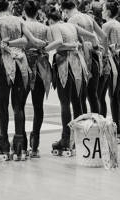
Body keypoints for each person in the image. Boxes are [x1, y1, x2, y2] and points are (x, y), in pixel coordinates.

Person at [0, 0, 42, 161]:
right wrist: (43, 45)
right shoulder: (20, 20)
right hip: (21, 63)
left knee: (3, 106)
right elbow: (30, 40)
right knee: (18, 106)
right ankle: (20, 145)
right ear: (10, 6)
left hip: (4, 64)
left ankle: (3, 144)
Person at [46, 10, 96, 156]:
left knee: (65, 103)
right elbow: (92, 35)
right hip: (79, 62)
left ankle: (66, 139)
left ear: (50, 20)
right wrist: (88, 47)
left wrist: (44, 49)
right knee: (77, 101)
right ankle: (80, 137)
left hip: (64, 64)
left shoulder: (54, 27)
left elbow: (59, 42)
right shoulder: (71, 26)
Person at [22, 0, 67, 157]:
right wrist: (44, 49)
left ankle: (21, 144)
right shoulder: (45, 27)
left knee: (19, 105)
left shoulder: (23, 25)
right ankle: (34, 147)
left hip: (26, 65)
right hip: (42, 66)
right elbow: (54, 43)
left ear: (24, 12)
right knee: (38, 107)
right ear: (37, 12)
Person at [61, 0, 106, 115]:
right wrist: (99, 50)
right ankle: (98, 126)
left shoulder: (71, 20)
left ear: (65, 11)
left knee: (80, 96)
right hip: (95, 57)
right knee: (93, 95)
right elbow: (103, 35)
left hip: (82, 59)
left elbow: (74, 42)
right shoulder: (88, 17)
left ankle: (84, 128)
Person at [102, 2, 120, 143]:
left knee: (113, 96)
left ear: (107, 12)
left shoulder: (107, 25)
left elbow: (102, 45)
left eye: (103, 9)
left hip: (114, 61)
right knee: (119, 95)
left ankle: (117, 130)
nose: (102, 12)